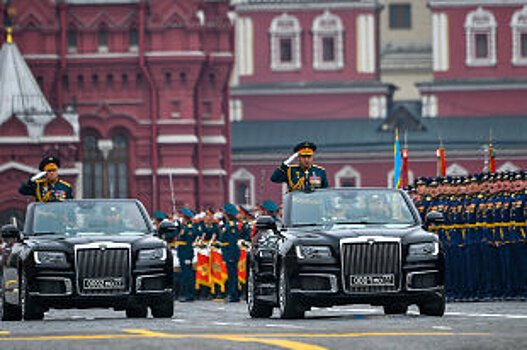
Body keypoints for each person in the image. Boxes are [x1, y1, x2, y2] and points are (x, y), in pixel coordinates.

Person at [218, 203, 241, 302]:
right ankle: (232, 293)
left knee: (233, 275)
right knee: (231, 274)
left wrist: (231, 255)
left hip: (231, 253)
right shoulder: (227, 224)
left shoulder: (231, 225)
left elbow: (232, 241)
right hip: (227, 252)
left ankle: (234, 295)